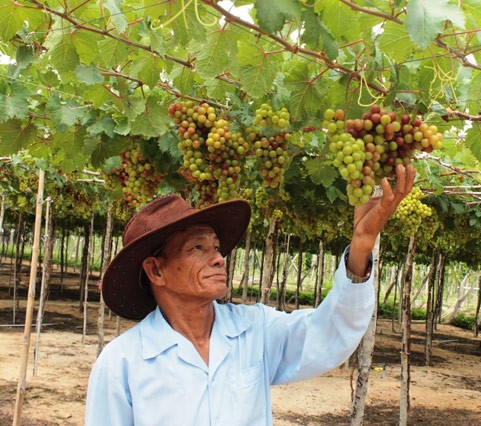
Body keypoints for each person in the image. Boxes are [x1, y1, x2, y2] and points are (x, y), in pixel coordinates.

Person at [85, 164, 416, 425]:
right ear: (156, 270)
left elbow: (328, 334)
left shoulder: (254, 329)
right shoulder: (122, 364)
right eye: (197, 248)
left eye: (216, 247)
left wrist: (362, 242)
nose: (217, 257)